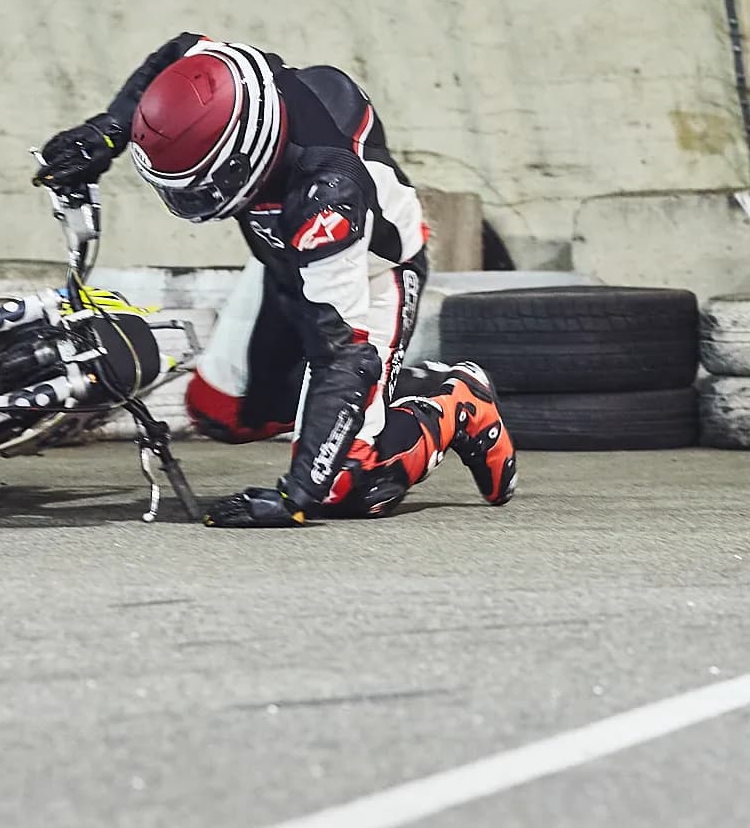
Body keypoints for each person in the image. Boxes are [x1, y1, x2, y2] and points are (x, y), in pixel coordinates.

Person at [34, 33, 517, 528]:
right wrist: (109, 130)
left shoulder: (328, 195)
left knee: (347, 485)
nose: (195, 201)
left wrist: (297, 498)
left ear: (249, 154)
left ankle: (454, 399)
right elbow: (180, 51)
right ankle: (359, 409)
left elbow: (343, 356)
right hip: (286, 260)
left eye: (205, 185)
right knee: (219, 411)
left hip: (371, 271)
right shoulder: (231, 76)